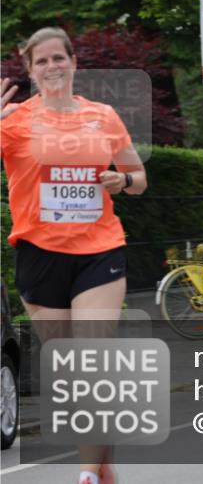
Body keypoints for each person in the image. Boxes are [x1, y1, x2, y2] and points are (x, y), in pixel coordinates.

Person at [1, 27, 148, 484]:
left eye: (58, 58)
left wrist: (122, 181)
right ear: (30, 71)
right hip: (39, 254)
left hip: (99, 250)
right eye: (41, 61)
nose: (52, 67)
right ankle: (101, 461)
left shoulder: (102, 116)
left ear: (73, 63)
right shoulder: (13, 121)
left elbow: (138, 178)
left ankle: (85, 474)